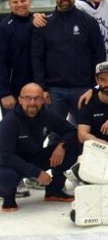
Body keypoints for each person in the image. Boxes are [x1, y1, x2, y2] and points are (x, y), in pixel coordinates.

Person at [31, 0, 106, 124]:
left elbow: (99, 55)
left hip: (83, 89)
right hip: (54, 91)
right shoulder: (44, 23)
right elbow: (37, 59)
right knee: (54, 134)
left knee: (85, 133)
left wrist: (95, 87)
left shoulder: (88, 22)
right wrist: (42, 88)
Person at [0, 83, 79, 211]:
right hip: (12, 164)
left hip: (35, 157)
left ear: (43, 100)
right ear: (20, 100)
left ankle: (54, 191)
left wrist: (62, 146)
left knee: (73, 146)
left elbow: (70, 131)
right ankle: (8, 198)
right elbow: (5, 156)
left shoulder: (45, 115)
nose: (32, 102)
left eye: (37, 98)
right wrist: (37, 173)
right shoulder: (10, 122)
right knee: (6, 176)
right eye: (28, 98)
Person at [0, 0, 35, 114]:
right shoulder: (4, 28)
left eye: (23, 0)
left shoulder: (39, 22)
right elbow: (1, 62)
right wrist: (4, 93)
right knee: (12, 131)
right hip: (13, 92)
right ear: (9, 4)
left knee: (37, 130)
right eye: (15, 2)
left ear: (30, 2)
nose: (20, 4)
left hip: (37, 90)